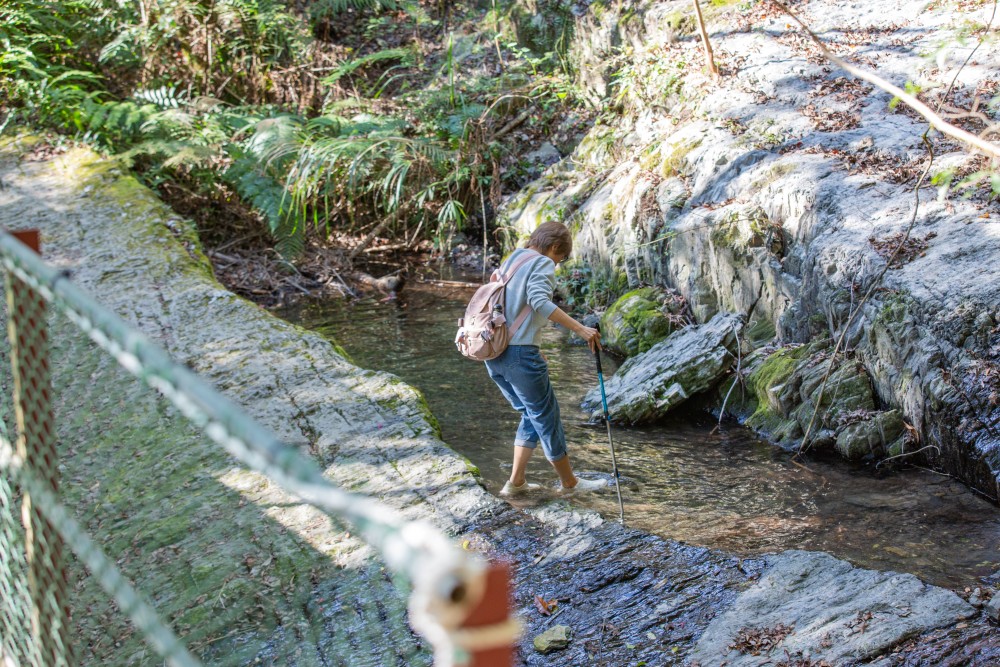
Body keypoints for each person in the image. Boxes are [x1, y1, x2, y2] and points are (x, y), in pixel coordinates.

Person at [485, 221, 607, 497]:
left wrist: (530, 344)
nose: (558, 263)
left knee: (531, 413)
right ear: (553, 248)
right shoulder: (542, 263)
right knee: (546, 415)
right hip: (519, 355)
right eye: (561, 258)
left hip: (494, 353)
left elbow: (507, 309)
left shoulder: (512, 259)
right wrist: (580, 328)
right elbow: (539, 301)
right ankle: (570, 484)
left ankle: (516, 483)